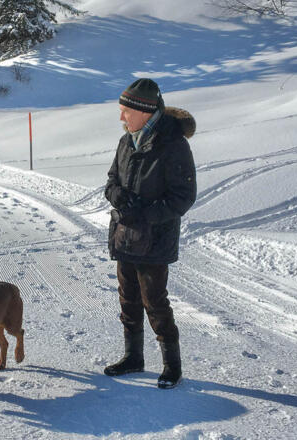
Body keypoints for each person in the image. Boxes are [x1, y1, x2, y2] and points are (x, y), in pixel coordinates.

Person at [104, 78, 196, 389]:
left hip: (155, 240)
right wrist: (117, 197)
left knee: (154, 301)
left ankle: (173, 366)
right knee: (127, 299)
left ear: (144, 111)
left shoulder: (173, 145)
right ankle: (134, 358)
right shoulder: (126, 141)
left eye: (125, 111)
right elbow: (112, 179)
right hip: (125, 234)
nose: (121, 118)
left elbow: (183, 196)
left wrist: (144, 213)